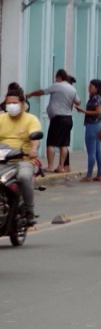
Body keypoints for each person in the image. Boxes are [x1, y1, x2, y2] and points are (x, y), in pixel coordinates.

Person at [0, 84, 41, 226]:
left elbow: (35, 138)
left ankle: (29, 211)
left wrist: (33, 149)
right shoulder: (1, 119)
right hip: (3, 161)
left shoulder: (31, 119)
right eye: (8, 103)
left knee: (24, 177)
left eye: (14, 103)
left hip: (22, 160)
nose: (11, 105)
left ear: (23, 104)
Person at [27, 69, 80, 173]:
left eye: (56, 77)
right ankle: (61, 167)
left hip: (58, 118)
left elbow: (42, 92)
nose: (55, 79)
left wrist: (30, 94)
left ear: (59, 77)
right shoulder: (72, 89)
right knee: (64, 144)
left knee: (50, 143)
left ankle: (50, 166)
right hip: (68, 118)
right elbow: (78, 101)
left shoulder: (57, 85)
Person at [75, 79, 101, 182]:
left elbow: (97, 112)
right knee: (97, 151)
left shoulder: (96, 98)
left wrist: (83, 111)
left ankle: (89, 175)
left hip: (92, 126)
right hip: (96, 125)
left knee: (91, 151)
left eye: (91, 87)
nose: (89, 88)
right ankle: (99, 174)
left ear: (96, 88)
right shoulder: (97, 98)